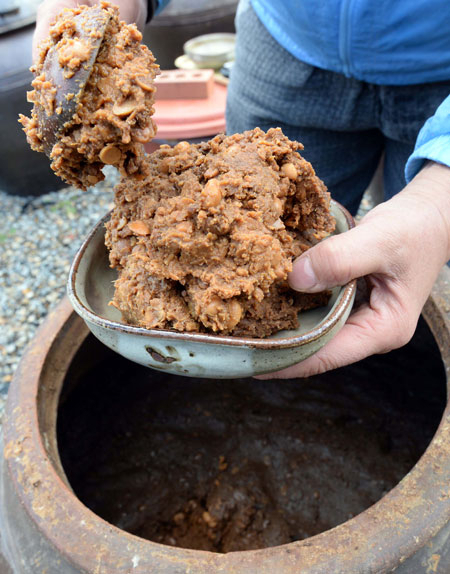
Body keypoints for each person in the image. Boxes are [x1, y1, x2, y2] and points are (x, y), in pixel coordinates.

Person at [33, 0, 450, 379]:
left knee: (410, 264)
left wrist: (437, 206)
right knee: (315, 250)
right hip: (285, 42)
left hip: (439, 69)